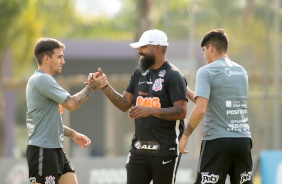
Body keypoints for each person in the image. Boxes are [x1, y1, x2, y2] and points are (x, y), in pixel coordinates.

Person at [89, 29, 188, 184]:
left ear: (157, 48)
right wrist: (105, 86)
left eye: (143, 47)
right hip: (138, 151)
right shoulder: (138, 74)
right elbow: (124, 104)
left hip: (164, 152)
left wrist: (149, 110)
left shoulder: (173, 75)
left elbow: (181, 111)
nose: (139, 50)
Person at [25, 38, 107, 184]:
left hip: (54, 150)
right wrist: (91, 87)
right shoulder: (42, 80)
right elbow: (72, 104)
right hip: (43, 150)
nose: (63, 61)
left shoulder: (42, 80)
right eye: (59, 56)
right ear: (46, 58)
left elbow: (49, 123)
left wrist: (73, 134)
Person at [179, 29, 253, 183]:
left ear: (211, 48)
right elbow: (212, 101)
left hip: (217, 142)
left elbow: (201, 108)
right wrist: (187, 92)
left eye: (204, 50)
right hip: (243, 141)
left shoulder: (206, 71)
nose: (205, 55)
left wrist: (185, 136)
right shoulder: (241, 71)